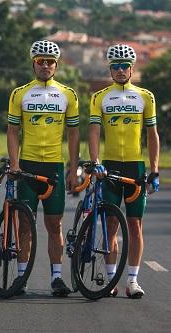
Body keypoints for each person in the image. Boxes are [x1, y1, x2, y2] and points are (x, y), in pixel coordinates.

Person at [7, 40, 80, 296]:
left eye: (50, 61)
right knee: (25, 224)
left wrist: (73, 169)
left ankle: (57, 278)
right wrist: (14, 163)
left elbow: (73, 134)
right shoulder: (20, 93)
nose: (46, 65)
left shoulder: (68, 94)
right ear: (33, 63)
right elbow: (13, 131)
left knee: (54, 225)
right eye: (41, 61)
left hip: (54, 167)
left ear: (56, 65)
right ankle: (21, 277)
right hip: (27, 164)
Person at [88, 44, 159, 299]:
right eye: (115, 66)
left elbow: (152, 135)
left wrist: (154, 169)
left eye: (124, 66)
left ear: (132, 68)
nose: (119, 70)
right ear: (110, 69)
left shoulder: (145, 96)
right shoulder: (100, 97)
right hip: (109, 165)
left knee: (135, 224)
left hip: (135, 166)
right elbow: (94, 132)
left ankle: (133, 281)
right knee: (110, 224)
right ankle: (111, 279)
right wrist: (95, 161)